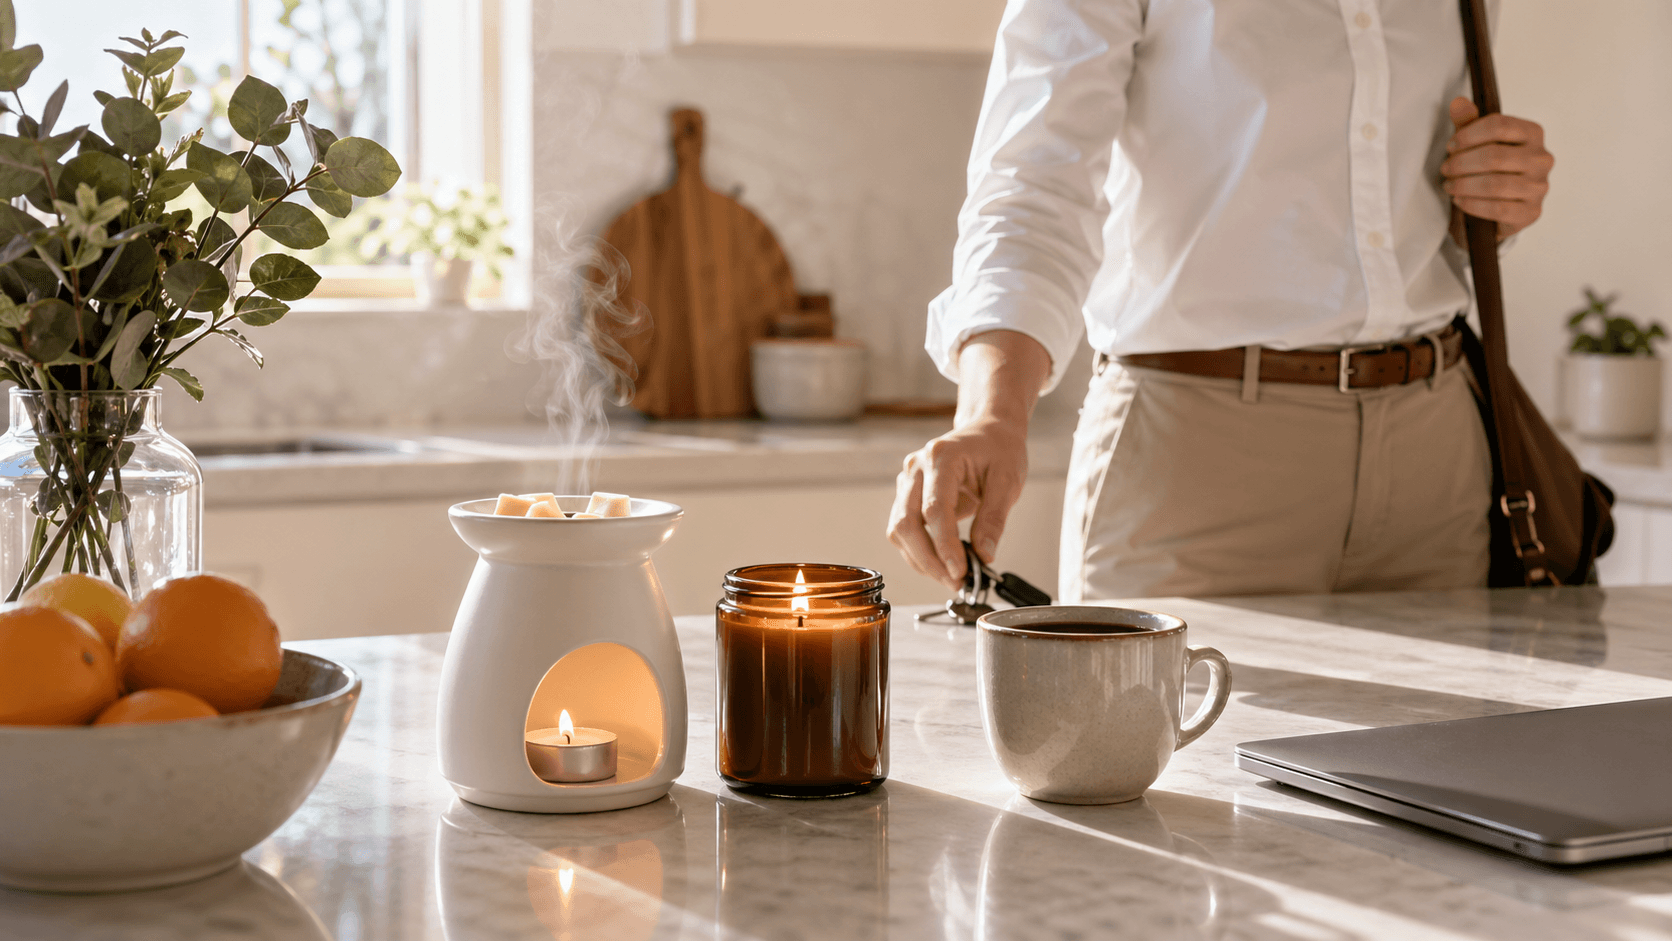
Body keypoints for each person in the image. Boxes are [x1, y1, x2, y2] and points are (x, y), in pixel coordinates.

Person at [887, 1, 1553, 600]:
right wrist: (993, 414)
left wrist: (1493, 197)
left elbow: (1408, 195)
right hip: (1196, 459)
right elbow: (1032, 192)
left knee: (1455, 710)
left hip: (1434, 461)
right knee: (1163, 707)